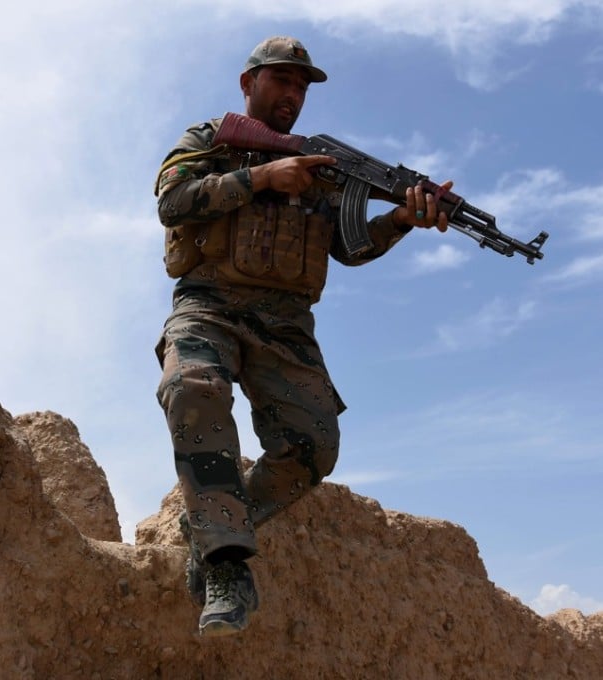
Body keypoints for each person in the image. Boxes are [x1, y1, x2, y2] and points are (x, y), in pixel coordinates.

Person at [153, 36, 451, 637]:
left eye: (301, 86)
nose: (292, 94)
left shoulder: (326, 174)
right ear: (249, 84)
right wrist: (263, 176)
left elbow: (348, 248)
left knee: (314, 447)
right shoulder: (211, 139)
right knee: (192, 384)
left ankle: (211, 524)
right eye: (281, 81)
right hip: (209, 304)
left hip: (287, 326)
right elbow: (173, 202)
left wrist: (401, 219)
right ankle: (227, 566)